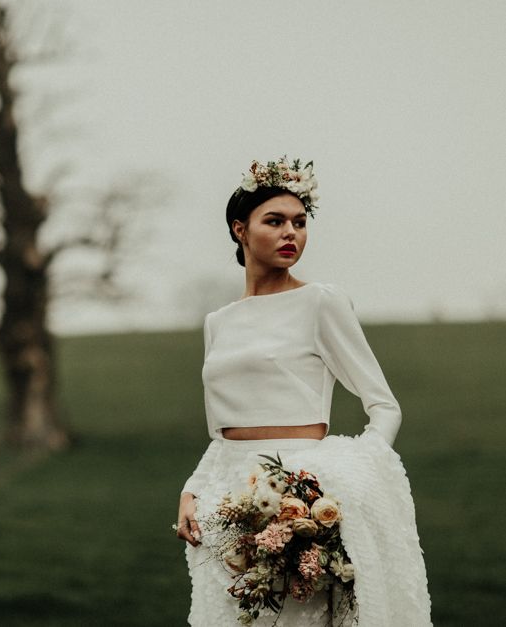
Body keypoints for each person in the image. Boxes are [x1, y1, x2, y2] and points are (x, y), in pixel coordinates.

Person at [176, 158, 431, 626]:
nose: (290, 232)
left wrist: (342, 478)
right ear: (240, 230)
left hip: (301, 499)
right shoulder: (218, 322)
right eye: (274, 221)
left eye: (299, 222)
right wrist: (192, 489)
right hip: (226, 504)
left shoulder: (320, 302)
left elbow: (384, 407)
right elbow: (223, 433)